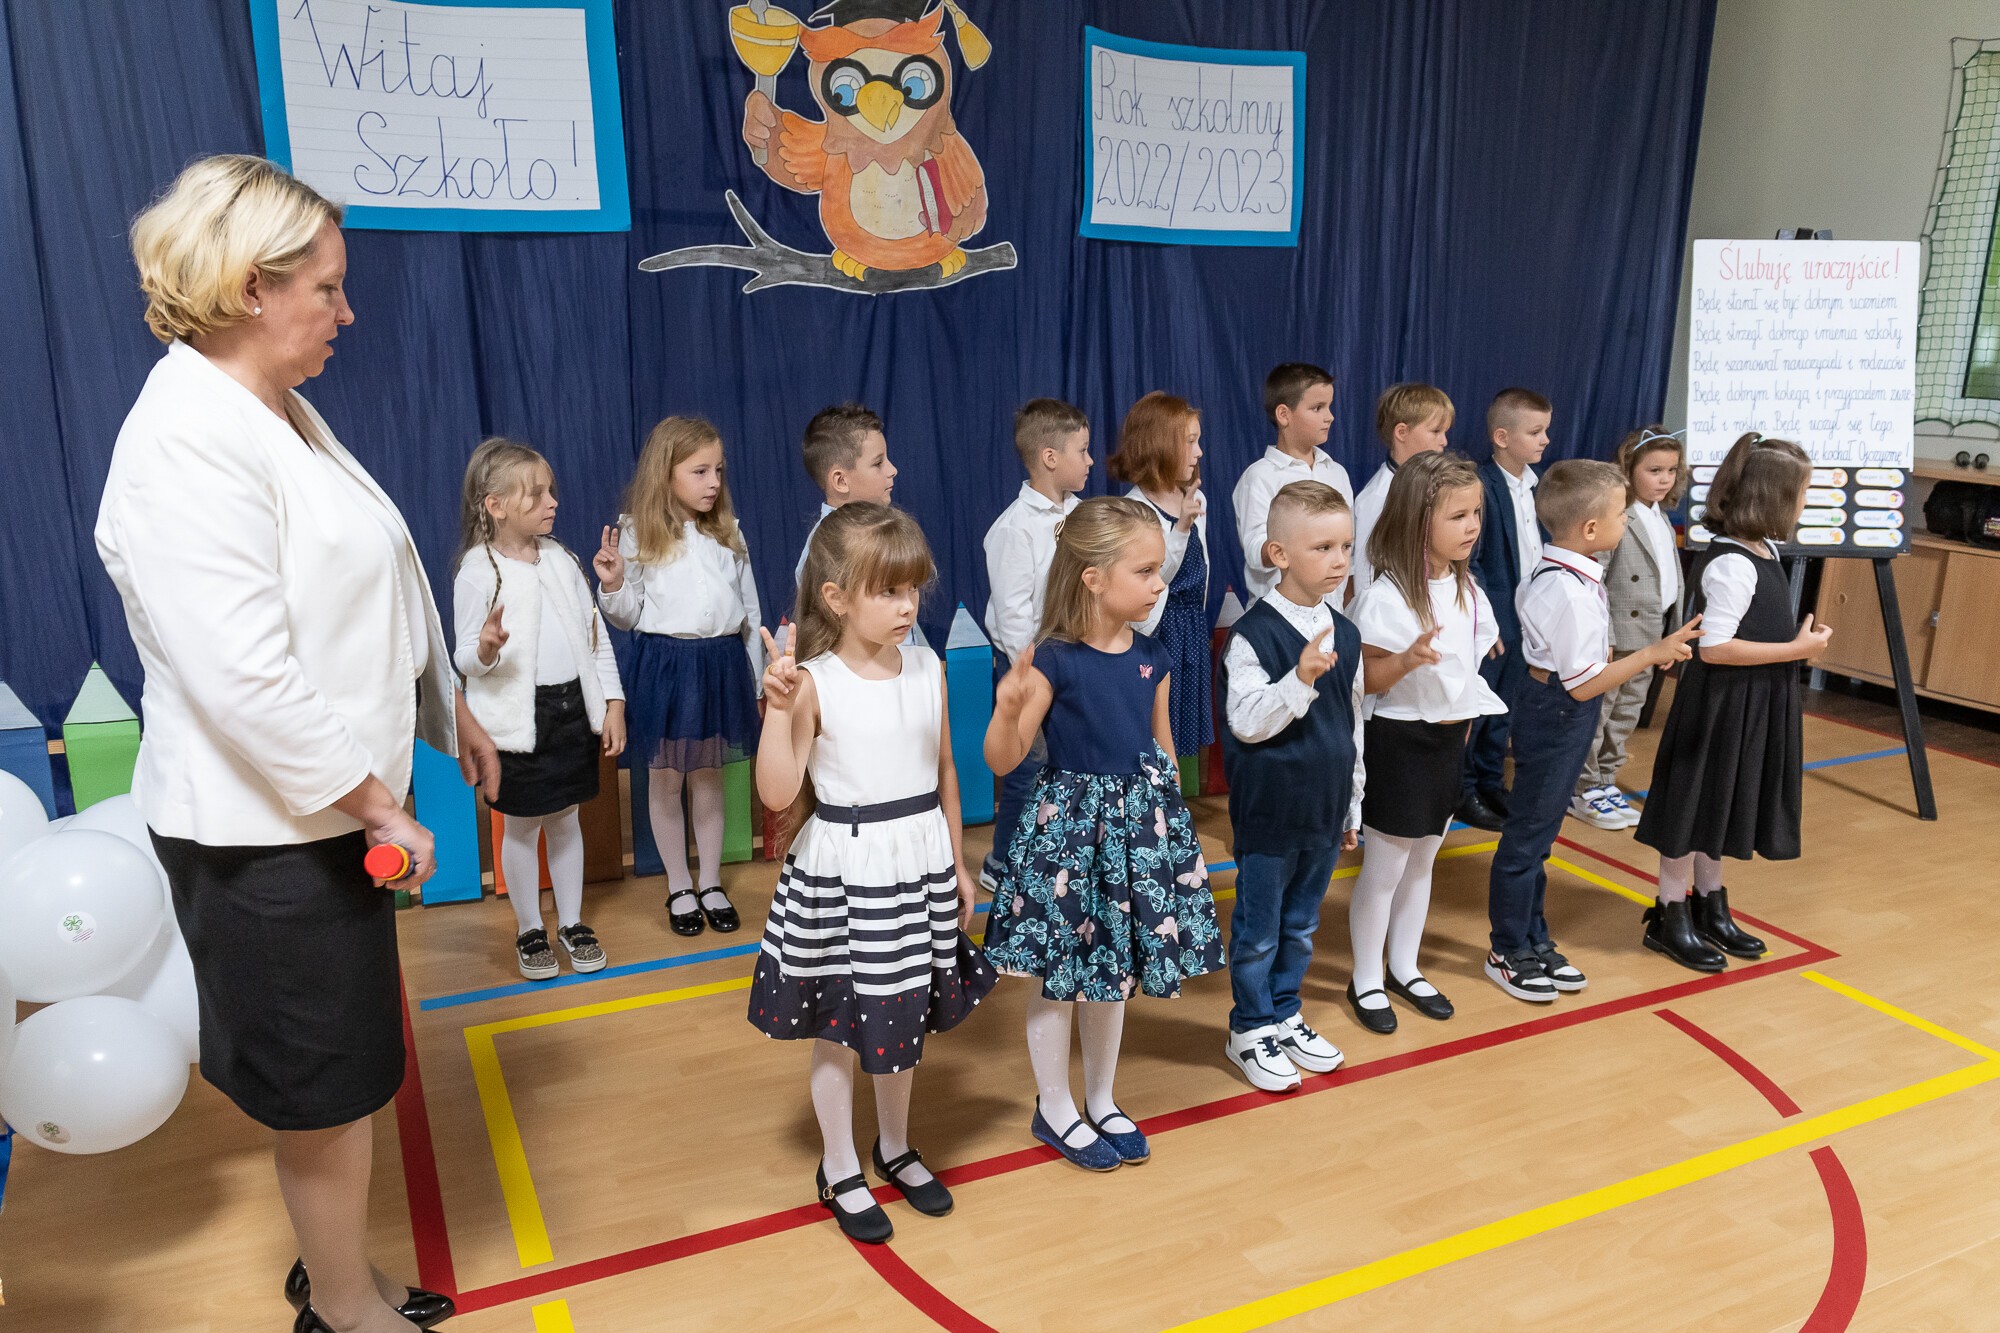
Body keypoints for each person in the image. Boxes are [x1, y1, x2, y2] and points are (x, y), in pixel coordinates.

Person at [97, 154, 498, 1333]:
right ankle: (340, 1307)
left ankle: (334, 1267)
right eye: (326, 288)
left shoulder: (272, 409)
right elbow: (244, 676)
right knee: (323, 1084)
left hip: (313, 816)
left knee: (347, 1065)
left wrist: (449, 711)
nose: (345, 312)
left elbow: (374, 585)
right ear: (250, 288)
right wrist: (379, 804)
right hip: (262, 834)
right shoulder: (183, 439)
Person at [748, 503, 995, 1244]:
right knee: (839, 1025)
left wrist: (958, 863)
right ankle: (838, 1164)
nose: (907, 604)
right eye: (888, 590)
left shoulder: (927, 667)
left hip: (917, 860)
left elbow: (946, 770)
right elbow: (777, 793)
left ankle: (894, 1146)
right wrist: (777, 710)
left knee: (902, 1013)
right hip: (847, 870)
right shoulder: (814, 682)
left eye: (912, 588)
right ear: (836, 598)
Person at [982, 497, 1222, 1170]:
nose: (1158, 584)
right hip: (1069, 836)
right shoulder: (1054, 660)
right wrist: (1005, 710)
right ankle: (1055, 1104)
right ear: (1092, 577)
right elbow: (1003, 759)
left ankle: (1102, 1097)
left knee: (1112, 970)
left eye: (1159, 570)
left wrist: (1168, 835)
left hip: (1135, 834)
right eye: (1144, 571)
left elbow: (1161, 748)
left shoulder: (1153, 656)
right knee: (1059, 970)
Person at [1482, 462, 1700, 1003]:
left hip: (1553, 705)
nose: (1627, 522)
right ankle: (1507, 949)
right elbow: (1582, 686)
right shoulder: (1570, 591)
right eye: (1621, 515)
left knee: (1539, 837)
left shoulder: (1567, 573)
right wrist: (1650, 652)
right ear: (1590, 529)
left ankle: (1533, 936)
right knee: (1527, 839)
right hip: (1558, 710)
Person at [1634, 433, 1829, 971]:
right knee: (1692, 806)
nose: (1804, 502)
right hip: (1719, 706)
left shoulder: (1764, 550)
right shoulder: (1732, 564)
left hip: (1751, 703)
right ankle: (1669, 914)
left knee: (1719, 804)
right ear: (1772, 498)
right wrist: (1796, 650)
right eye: (1801, 493)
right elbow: (1715, 648)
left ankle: (1709, 904)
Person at [452, 438, 626, 981]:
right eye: (536, 494)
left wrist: (613, 701)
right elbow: (463, 658)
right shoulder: (477, 571)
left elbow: (594, 639)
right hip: (517, 725)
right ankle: (530, 927)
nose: (553, 502)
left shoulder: (562, 560)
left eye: (551, 491)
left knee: (567, 819)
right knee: (522, 827)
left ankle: (571, 922)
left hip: (570, 711)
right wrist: (484, 650)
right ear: (496, 505)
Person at [1346, 451, 1505, 1034]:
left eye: (1476, 513)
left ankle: (1404, 966)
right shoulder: (1385, 598)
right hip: (1399, 741)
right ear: (1418, 521)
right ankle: (1366, 976)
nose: (1472, 526)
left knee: (1424, 861)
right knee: (1385, 868)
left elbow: (1466, 669)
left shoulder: (1466, 588)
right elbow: (1367, 680)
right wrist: (1407, 659)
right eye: (1458, 516)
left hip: (1445, 744)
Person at [1218, 482, 1365, 1092]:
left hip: (1324, 810)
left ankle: (1283, 1013)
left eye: (1346, 546)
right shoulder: (1252, 634)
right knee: (1259, 931)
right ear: (1278, 554)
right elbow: (1246, 722)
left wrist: (1353, 803)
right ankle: (1249, 1027)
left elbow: (1352, 726)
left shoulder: (1346, 633)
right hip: (1271, 812)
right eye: (1322, 547)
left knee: (1302, 925)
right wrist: (1298, 680)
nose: (1339, 560)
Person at [597, 416, 764, 938]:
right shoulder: (637, 532)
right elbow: (627, 614)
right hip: (666, 666)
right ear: (665, 473)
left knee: (710, 776)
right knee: (666, 778)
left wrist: (757, 680)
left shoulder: (728, 532)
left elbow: (749, 611)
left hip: (720, 664)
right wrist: (614, 585)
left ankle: (710, 881)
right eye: (700, 471)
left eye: (719, 470)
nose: (714, 482)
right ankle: (679, 884)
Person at [979, 398, 1090, 888]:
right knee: (1028, 766)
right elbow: (1014, 618)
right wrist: (1041, 675)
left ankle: (1057, 857)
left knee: (1068, 766)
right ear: (1050, 457)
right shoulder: (1014, 529)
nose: (1090, 460)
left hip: (1074, 659)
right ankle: (1003, 863)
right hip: (1028, 667)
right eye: (1082, 451)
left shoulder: (1083, 515)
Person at [1572, 426, 1687, 829]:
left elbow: (1671, 582)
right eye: (1654, 470)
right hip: (1618, 637)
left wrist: (1673, 634)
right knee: (1600, 713)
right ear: (1629, 468)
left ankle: (1605, 779)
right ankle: (1583, 787)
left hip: (1651, 636)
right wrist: (1603, 636)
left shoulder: (1662, 518)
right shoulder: (1619, 516)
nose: (1664, 479)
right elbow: (1596, 579)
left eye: (1671, 471)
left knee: (1626, 714)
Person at [1462, 388, 1555, 830]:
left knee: (1505, 708)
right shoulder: (1480, 485)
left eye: (1546, 430)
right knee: (1478, 709)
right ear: (1501, 437)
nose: (1545, 440)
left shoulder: (1537, 486)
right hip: (1495, 621)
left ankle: (1491, 781)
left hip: (1527, 619)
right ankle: (1464, 790)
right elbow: (1470, 560)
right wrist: (1486, 619)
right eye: (1535, 432)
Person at [1109, 391, 1212, 776]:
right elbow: (1153, 577)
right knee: (1149, 731)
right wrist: (1181, 527)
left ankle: (1171, 800)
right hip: (1156, 633)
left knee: (1178, 736)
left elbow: (1201, 568)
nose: (1199, 451)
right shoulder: (1134, 510)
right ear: (1160, 445)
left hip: (1189, 630)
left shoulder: (1194, 499)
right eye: (1190, 441)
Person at [1231, 363, 1353, 603]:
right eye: (1317, 408)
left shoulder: (1336, 473)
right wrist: (1304, 545)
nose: (1329, 417)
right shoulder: (1260, 477)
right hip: (1277, 614)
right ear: (1284, 415)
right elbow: (1256, 551)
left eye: (1329, 407)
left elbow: (1349, 547)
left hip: (1330, 613)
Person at [1350, 383, 1454, 598]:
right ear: (1401, 432)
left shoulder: (1434, 485)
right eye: (1435, 431)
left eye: (1445, 432)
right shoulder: (1378, 497)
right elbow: (1366, 577)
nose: (1444, 441)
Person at [794, 402, 899, 588]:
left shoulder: (881, 528)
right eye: (878, 463)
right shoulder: (825, 551)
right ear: (841, 481)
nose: (893, 470)